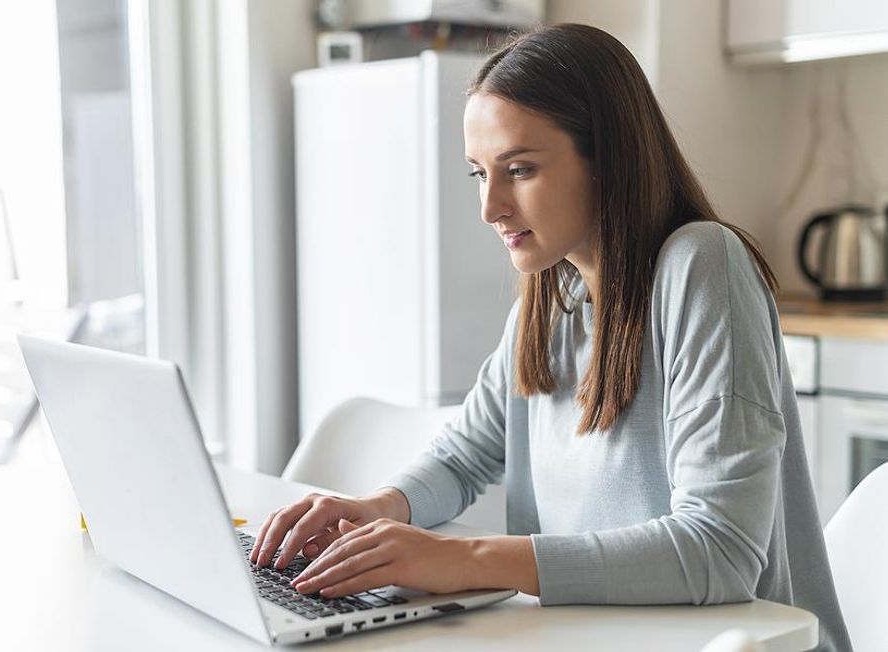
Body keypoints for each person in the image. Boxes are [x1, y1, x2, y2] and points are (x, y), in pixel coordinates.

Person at [250, 23, 851, 651]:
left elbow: (721, 551)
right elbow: (464, 457)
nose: (491, 207)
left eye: (520, 169)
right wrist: (379, 509)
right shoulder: (550, 301)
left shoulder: (702, 265)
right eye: (480, 174)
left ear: (609, 159)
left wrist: (468, 558)